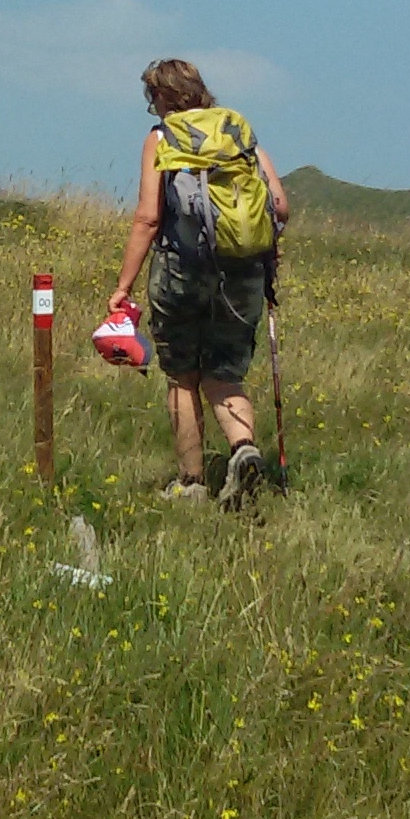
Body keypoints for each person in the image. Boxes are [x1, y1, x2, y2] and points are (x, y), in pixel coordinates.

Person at [108, 58, 290, 506]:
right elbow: (280, 207)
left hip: (182, 272)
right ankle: (244, 451)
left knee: (182, 377)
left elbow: (149, 217)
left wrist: (123, 287)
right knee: (225, 375)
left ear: (160, 98)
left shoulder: (162, 138)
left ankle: (191, 484)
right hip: (244, 270)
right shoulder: (237, 130)